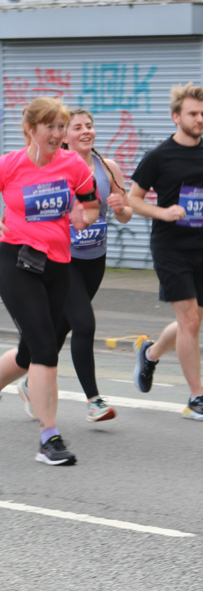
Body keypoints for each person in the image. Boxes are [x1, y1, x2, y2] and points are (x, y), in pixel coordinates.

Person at [17, 109, 133, 424]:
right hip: (63, 260)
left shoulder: (108, 168)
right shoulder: (56, 168)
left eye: (89, 126)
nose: (85, 131)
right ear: (64, 136)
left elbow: (125, 214)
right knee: (84, 324)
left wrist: (121, 208)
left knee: (59, 328)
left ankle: (30, 380)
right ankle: (94, 401)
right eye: (77, 127)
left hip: (95, 261)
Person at [0, 98, 99, 465]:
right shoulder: (10, 165)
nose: (58, 135)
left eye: (61, 127)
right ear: (31, 129)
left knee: (29, 353)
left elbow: (91, 205)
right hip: (16, 261)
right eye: (51, 127)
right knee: (45, 348)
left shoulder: (73, 165)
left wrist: (84, 217)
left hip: (57, 266)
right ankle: (49, 439)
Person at [129, 83, 203, 421]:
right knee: (189, 321)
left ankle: (150, 353)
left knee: (192, 323)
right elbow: (134, 199)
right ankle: (196, 398)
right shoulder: (159, 156)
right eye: (192, 114)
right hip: (170, 246)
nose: (199, 119)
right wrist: (163, 212)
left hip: (202, 246)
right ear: (176, 117)